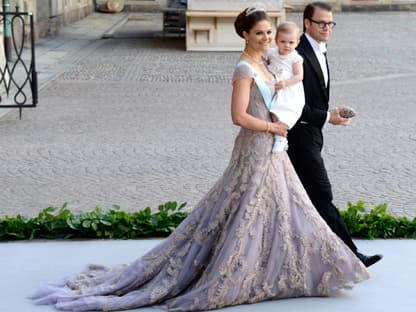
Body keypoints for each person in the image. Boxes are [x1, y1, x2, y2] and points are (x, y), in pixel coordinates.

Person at [30, 6, 369, 312]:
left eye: (268, 32)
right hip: (256, 145)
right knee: (243, 210)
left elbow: (286, 93)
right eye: (259, 33)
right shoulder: (244, 68)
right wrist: (273, 126)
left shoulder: (265, 62)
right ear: (245, 35)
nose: (266, 38)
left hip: (272, 147)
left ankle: (281, 266)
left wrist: (292, 116)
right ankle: (235, 271)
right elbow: (238, 116)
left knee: (282, 207)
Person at [286, 2, 382, 267]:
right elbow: (294, 107)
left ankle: (304, 256)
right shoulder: (298, 55)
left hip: (312, 135)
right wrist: (328, 117)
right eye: (321, 23)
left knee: (303, 199)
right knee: (321, 194)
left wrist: (329, 111)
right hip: (300, 139)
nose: (327, 28)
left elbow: (310, 97)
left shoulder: (318, 50)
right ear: (307, 23)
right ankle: (352, 256)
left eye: (330, 23)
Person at [266, 21, 305, 153]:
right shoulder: (272, 53)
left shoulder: (295, 58)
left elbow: (300, 76)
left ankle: (281, 137)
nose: (287, 45)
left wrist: (285, 83)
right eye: (283, 42)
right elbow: (265, 61)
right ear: (276, 41)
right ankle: (279, 135)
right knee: (272, 111)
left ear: (297, 42)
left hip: (289, 89)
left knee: (282, 110)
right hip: (275, 85)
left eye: (291, 42)